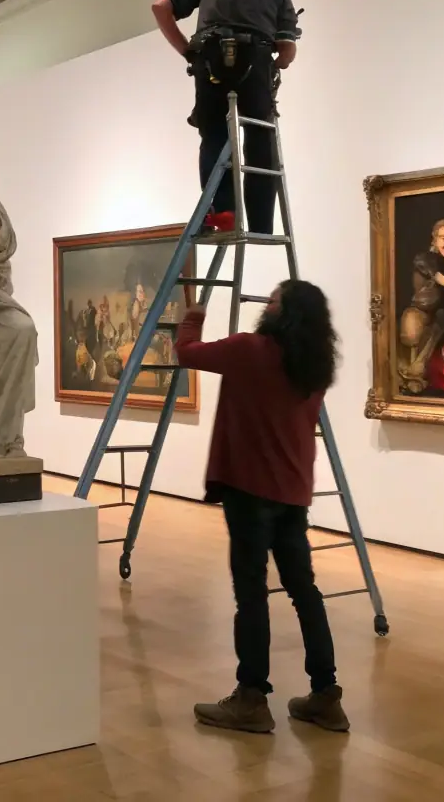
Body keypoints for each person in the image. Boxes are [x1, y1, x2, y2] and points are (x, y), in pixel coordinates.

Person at [175, 280, 348, 734]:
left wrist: (191, 316)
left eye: (273, 300)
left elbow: (187, 352)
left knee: (251, 594)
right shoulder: (314, 367)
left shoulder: (249, 350)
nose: (265, 304)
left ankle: (251, 697)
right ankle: (326, 695)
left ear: (285, 313)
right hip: (293, 494)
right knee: (304, 591)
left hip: (249, 492)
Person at [151, 0, 301, 235]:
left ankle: (223, 215)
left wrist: (187, 51)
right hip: (253, 62)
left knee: (214, 136)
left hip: (207, 63)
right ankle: (260, 222)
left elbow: (160, 6)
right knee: (260, 136)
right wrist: (281, 60)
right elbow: (285, 51)